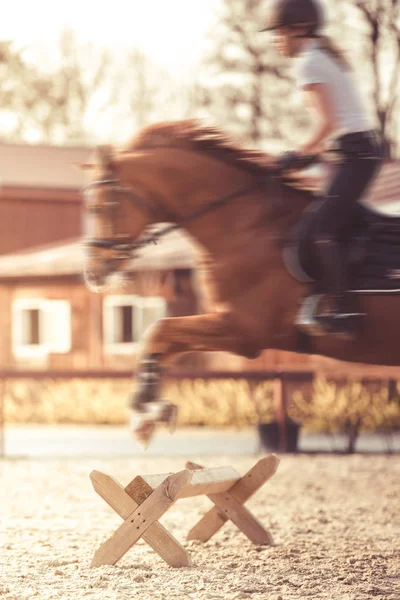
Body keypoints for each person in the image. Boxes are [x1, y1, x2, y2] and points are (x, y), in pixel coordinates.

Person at [261, 0, 383, 339]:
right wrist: (305, 159)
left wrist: (297, 154)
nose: (276, 40)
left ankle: (344, 308)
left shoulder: (308, 62)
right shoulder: (318, 57)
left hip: (356, 154)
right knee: (322, 219)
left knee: (322, 230)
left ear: (298, 30)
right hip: (353, 153)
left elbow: (328, 122)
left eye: (279, 33)